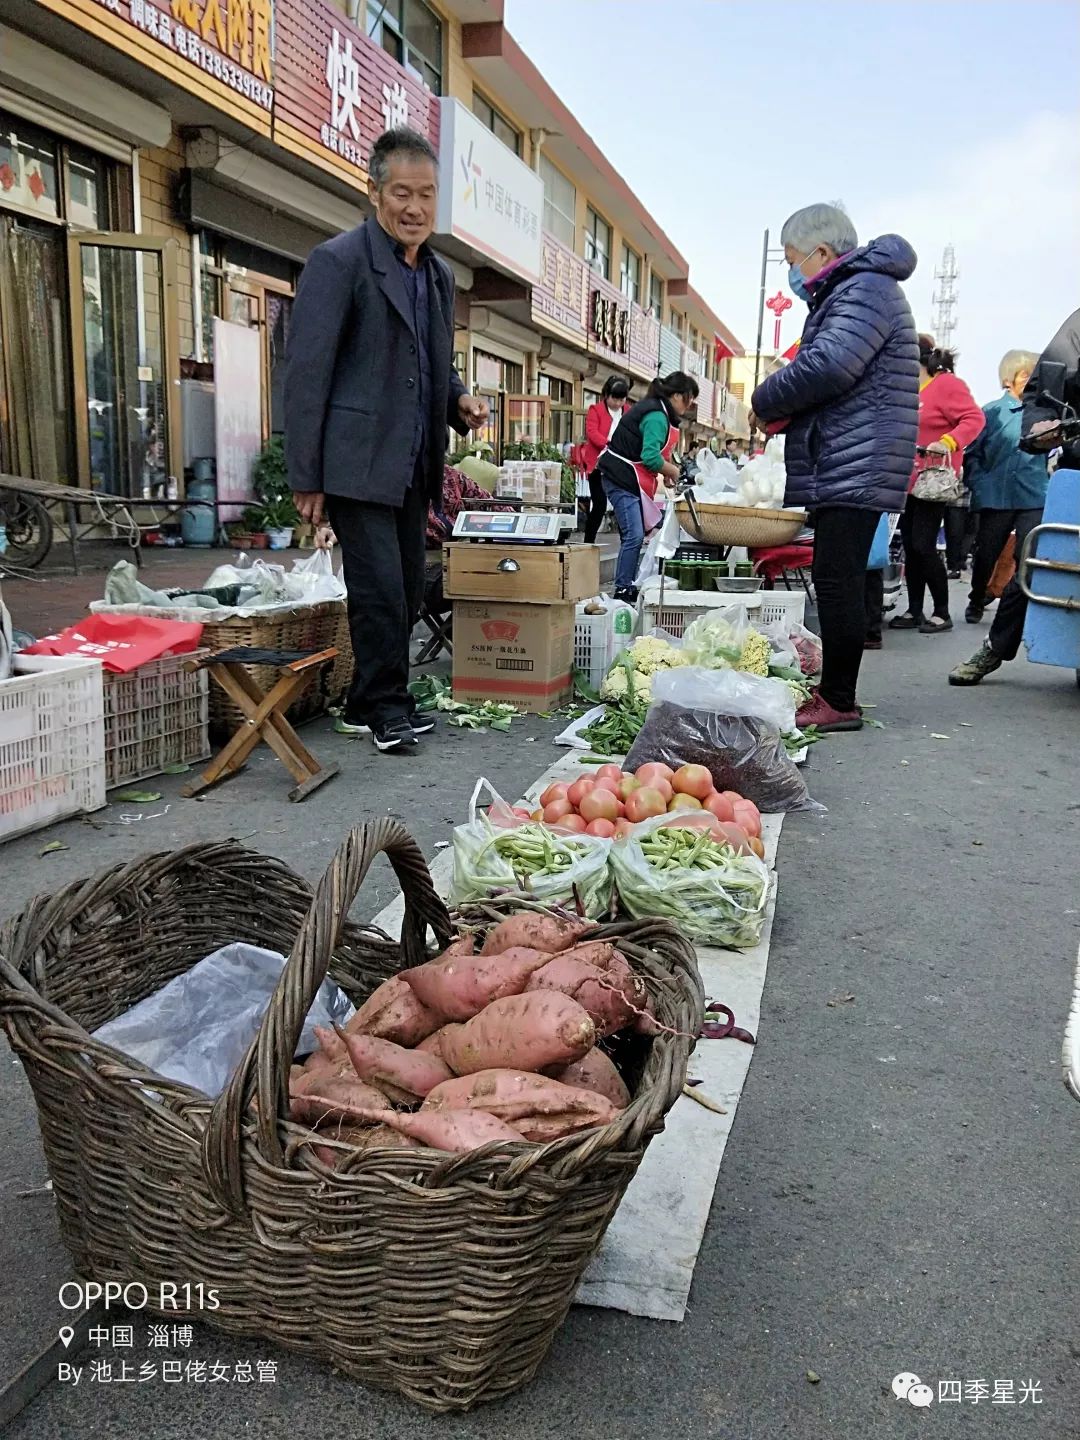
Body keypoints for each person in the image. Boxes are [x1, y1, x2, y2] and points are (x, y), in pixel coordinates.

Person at [284, 128, 488, 752]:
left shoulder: (438, 274)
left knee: (403, 586)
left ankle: (366, 699)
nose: (415, 208)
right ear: (373, 192)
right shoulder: (339, 261)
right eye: (402, 193)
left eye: (426, 195)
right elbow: (306, 371)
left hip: (412, 461)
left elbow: (433, 361)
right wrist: (307, 476)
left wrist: (458, 399)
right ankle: (387, 709)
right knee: (378, 590)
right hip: (356, 461)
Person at [749, 204, 919, 732]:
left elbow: (829, 366)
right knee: (836, 575)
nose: (792, 272)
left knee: (838, 579)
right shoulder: (856, 290)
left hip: (859, 459)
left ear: (822, 253)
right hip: (853, 454)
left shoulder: (864, 289)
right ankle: (834, 693)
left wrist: (764, 399)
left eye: (792, 259)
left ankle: (839, 701)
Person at [950, 308, 1080, 685]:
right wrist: (1044, 426)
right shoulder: (1075, 331)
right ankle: (995, 646)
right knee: (1039, 558)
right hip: (1071, 474)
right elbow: (1046, 387)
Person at [890, 337, 984, 634]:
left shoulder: (947, 385)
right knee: (911, 546)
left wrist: (947, 441)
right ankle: (915, 609)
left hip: (932, 480)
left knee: (923, 544)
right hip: (906, 480)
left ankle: (942, 612)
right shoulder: (905, 389)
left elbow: (974, 418)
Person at [959, 349, 1046, 624]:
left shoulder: (1044, 414)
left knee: (1027, 552)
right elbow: (971, 453)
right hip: (995, 495)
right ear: (1009, 378)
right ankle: (977, 597)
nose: (1031, 379)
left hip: (1032, 493)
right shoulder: (991, 412)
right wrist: (978, 483)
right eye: (1025, 374)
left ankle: (1014, 604)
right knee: (987, 551)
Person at [598, 371, 699, 601]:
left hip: (629, 479)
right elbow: (651, 457)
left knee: (633, 535)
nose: (689, 403)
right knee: (634, 534)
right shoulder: (656, 416)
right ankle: (623, 588)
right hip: (620, 477)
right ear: (675, 396)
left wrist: (669, 469)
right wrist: (673, 471)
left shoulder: (660, 412)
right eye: (688, 397)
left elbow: (658, 454)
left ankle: (626, 583)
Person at [580, 376, 630, 544]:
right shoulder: (596, 410)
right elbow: (592, 432)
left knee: (622, 506)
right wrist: (609, 444)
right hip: (598, 465)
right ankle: (588, 542)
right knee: (600, 504)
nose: (617, 403)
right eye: (614, 398)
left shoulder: (628, 411)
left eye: (621, 399)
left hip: (620, 466)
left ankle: (627, 542)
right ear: (606, 395)